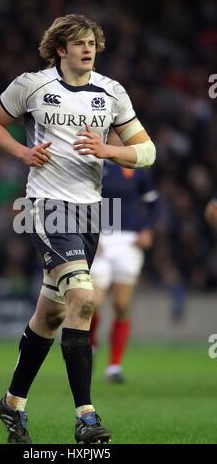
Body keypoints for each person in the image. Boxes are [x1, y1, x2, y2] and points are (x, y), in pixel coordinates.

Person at [0, 14, 156, 444]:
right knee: (83, 299)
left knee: (53, 313)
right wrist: (21, 152)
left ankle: (12, 403)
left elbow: (146, 151)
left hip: (93, 213)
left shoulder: (112, 93)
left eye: (91, 42)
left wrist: (108, 150)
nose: (87, 49)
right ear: (61, 49)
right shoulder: (32, 86)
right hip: (48, 208)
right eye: (78, 43)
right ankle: (86, 417)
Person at [90, 129, 159, 383]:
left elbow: (153, 202)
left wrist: (147, 230)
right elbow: (81, 201)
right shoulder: (95, 163)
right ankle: (92, 343)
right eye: (115, 134)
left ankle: (114, 366)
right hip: (101, 240)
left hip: (129, 241)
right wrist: (91, 232)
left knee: (121, 305)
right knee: (94, 303)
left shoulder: (137, 168)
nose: (120, 138)